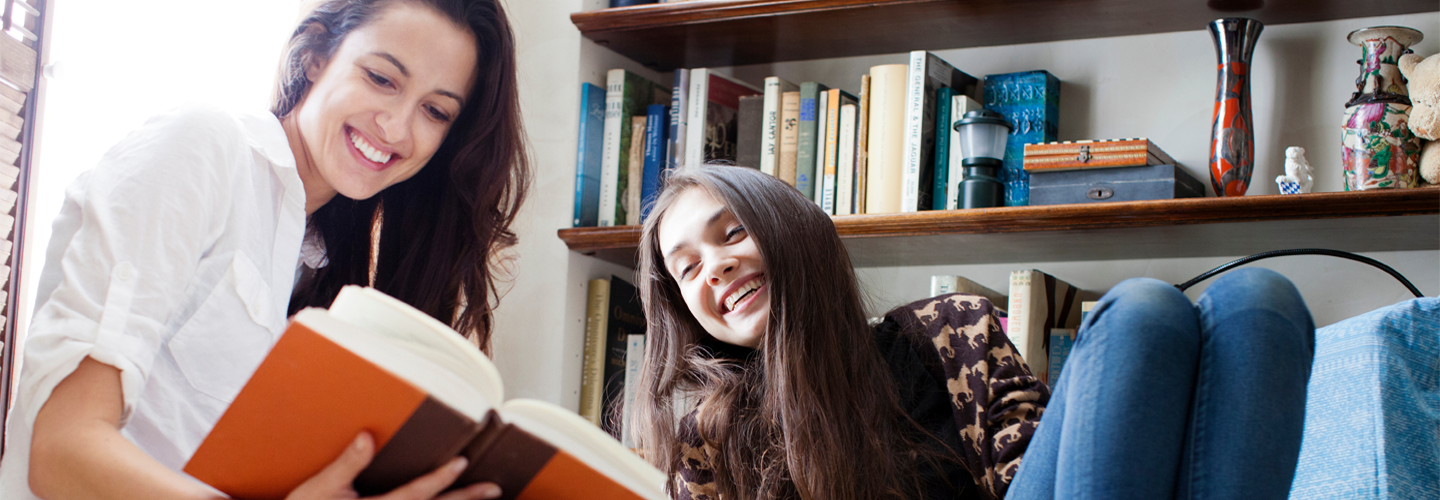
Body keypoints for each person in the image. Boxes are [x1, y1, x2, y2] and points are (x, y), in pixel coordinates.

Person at [0, 1, 529, 499]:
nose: (396, 127)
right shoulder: (205, 149)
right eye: (381, 78)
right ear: (317, 56)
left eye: (435, 111)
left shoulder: (326, 268)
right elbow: (61, 452)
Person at [634, 164, 1315, 500]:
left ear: (795, 235)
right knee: (1140, 305)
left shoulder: (947, 332)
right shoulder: (710, 439)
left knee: (1259, 299)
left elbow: (1053, 471)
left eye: (732, 234)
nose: (714, 268)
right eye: (686, 268)